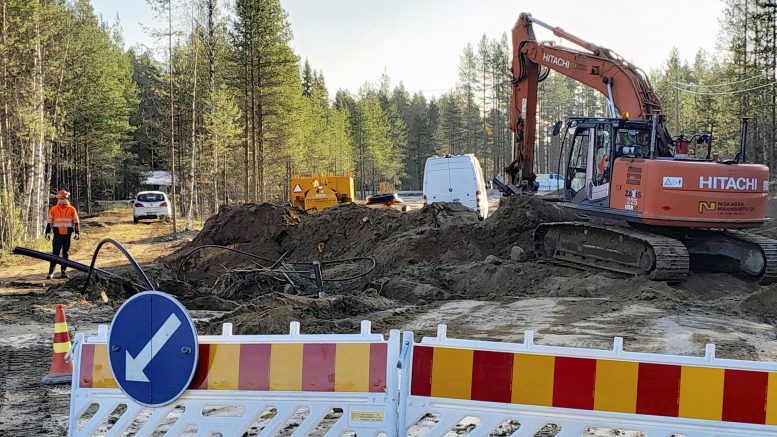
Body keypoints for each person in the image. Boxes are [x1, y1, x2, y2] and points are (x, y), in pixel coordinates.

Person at [45, 190, 80, 279]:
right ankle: (51, 272)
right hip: (57, 235)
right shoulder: (53, 209)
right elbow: (49, 222)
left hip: (67, 234)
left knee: (65, 253)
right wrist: (47, 232)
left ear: (66, 199)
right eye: (59, 199)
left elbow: (76, 222)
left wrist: (77, 233)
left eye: (63, 198)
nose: (61, 200)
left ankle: (63, 272)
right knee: (55, 253)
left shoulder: (71, 209)